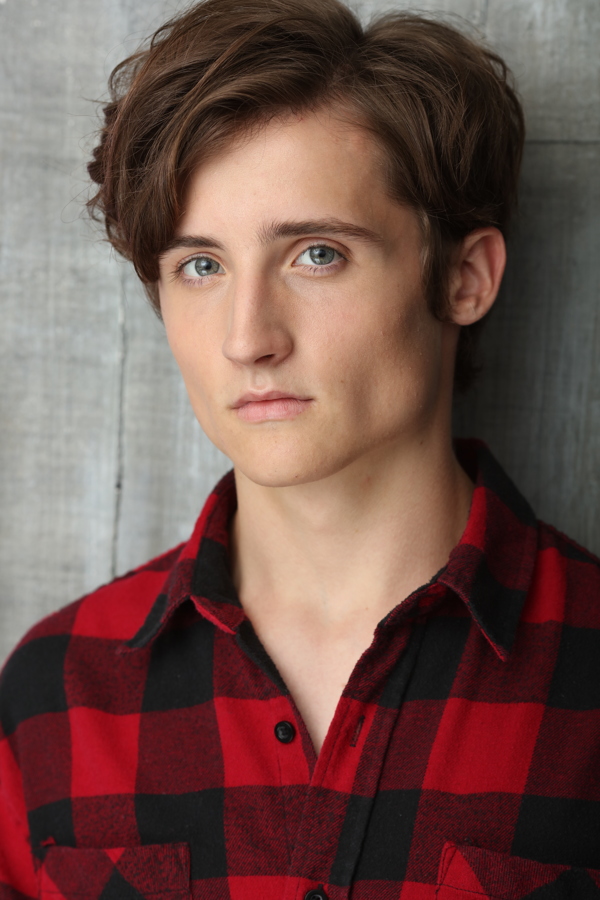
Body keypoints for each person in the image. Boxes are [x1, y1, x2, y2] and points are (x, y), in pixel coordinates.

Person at [1, 0, 599, 896]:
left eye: (316, 254)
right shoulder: (57, 692)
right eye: (200, 266)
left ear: (464, 278)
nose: (248, 338)